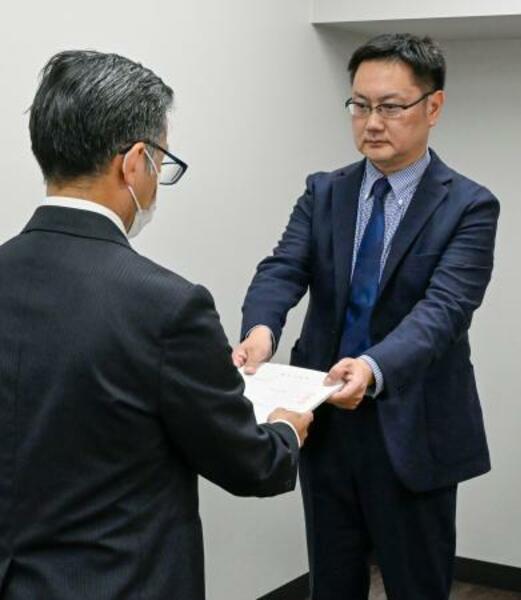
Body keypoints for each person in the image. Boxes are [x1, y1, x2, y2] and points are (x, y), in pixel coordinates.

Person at [0, 50, 313, 600]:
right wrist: (286, 430)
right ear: (134, 162)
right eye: (161, 162)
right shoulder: (168, 306)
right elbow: (250, 465)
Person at [233, 33, 500, 599]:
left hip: (413, 425)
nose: (372, 123)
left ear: (433, 107)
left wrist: (373, 368)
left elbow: (445, 310)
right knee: (332, 583)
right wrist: (260, 331)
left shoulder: (469, 205)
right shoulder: (325, 191)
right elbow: (283, 267)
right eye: (359, 105)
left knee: (416, 585)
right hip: (324, 419)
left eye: (390, 107)